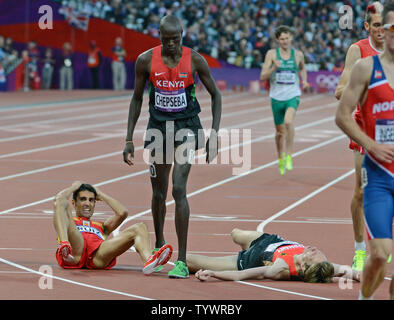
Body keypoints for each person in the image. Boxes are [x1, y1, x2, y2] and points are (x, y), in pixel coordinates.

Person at [123, 15, 222, 279]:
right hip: (158, 128)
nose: (170, 44)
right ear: (159, 37)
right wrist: (129, 138)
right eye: (165, 40)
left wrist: (214, 134)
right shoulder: (145, 60)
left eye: (174, 39)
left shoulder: (195, 60)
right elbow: (136, 99)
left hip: (187, 127)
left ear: (181, 36)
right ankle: (158, 245)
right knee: (158, 193)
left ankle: (181, 259)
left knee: (179, 189)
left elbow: (216, 95)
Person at [335, 0, 394, 300]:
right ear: (372, 27)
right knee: (359, 191)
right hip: (365, 131)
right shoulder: (360, 53)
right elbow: (340, 89)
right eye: (382, 27)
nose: (384, 32)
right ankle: (361, 248)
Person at [53, 181, 173, 274]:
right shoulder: (68, 221)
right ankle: (64, 245)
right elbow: (59, 200)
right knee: (62, 203)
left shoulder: (102, 226)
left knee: (140, 227)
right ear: (74, 202)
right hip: (75, 251)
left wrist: (101, 195)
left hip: (98, 256)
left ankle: (149, 261)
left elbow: (123, 213)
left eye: (91, 200)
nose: (87, 203)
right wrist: (73, 188)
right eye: (83, 199)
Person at [190, 228, 360, 283]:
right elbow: (351, 272)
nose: (312, 249)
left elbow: (242, 275)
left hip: (247, 260)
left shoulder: (279, 269)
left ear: (302, 266)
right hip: (266, 240)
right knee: (235, 233)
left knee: (189, 260)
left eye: (311, 254)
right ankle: (243, 241)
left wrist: (213, 273)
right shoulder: (326, 267)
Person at [260, 25, 310, 176]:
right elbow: (263, 76)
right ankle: (280, 156)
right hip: (276, 97)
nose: (285, 41)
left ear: (291, 38)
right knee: (279, 133)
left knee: (288, 122)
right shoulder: (271, 54)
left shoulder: (298, 54)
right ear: (277, 40)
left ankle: (289, 155)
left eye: (287, 38)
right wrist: (273, 68)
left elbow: (302, 68)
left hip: (292, 95)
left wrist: (305, 81)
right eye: (282, 39)